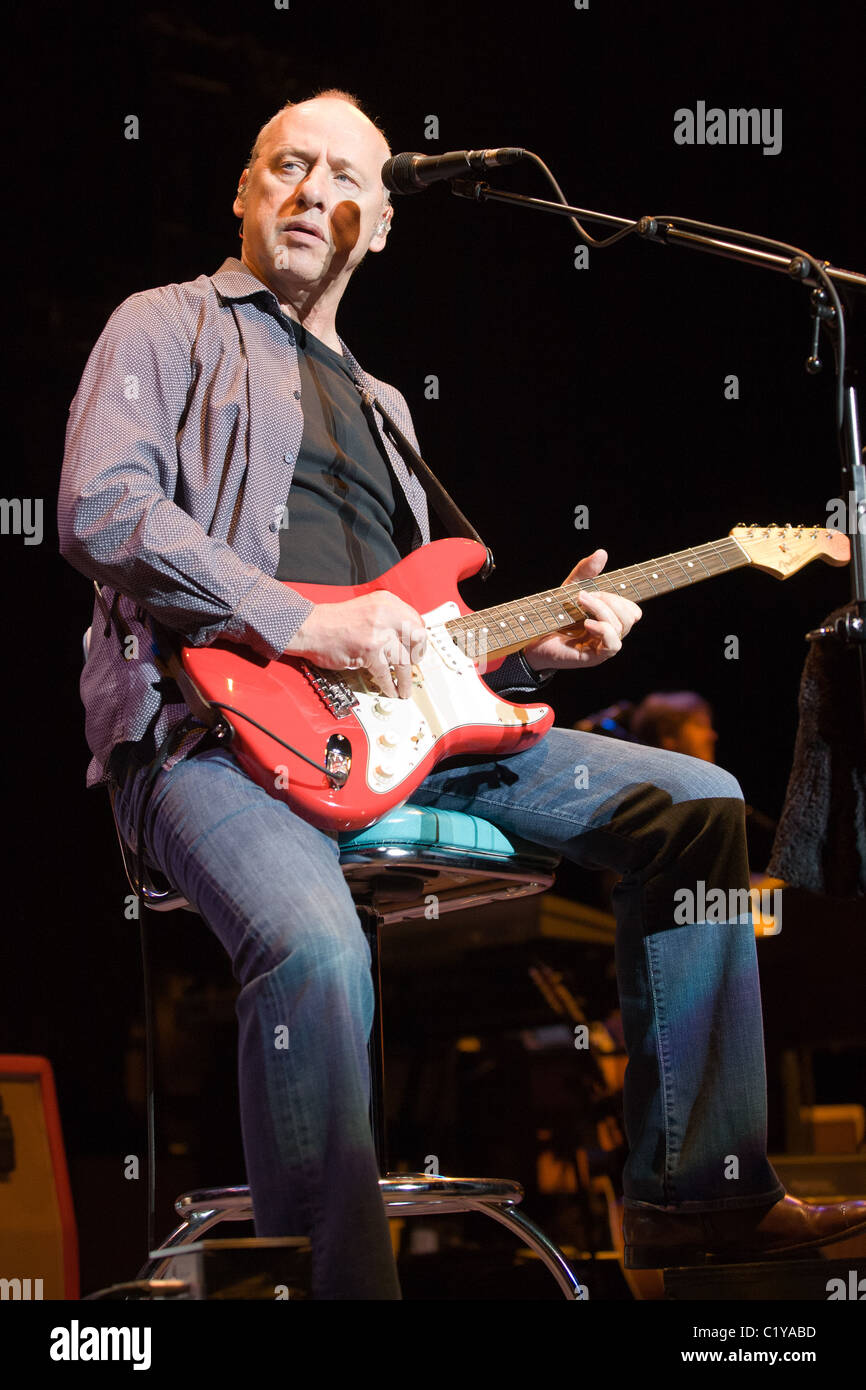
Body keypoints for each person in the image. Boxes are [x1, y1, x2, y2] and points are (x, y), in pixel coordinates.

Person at [58, 89, 866, 1298]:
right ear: (242, 191)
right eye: (284, 165)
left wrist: (539, 653)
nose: (307, 190)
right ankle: (336, 1283)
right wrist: (304, 617)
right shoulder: (165, 327)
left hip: (404, 744)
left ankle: (697, 1196)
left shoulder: (386, 413)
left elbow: (424, 642)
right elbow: (101, 509)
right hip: (210, 742)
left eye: (341, 177)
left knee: (696, 804)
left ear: (378, 224)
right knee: (317, 945)